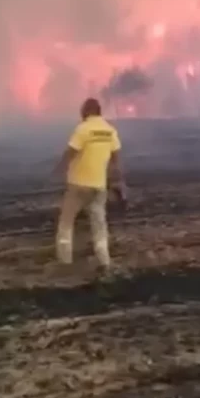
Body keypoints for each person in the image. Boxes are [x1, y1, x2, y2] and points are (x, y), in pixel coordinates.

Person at [52, 98, 126, 271]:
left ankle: (65, 261)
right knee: (99, 225)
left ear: (86, 111)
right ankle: (104, 261)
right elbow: (116, 159)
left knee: (66, 223)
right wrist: (119, 181)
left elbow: (71, 152)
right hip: (99, 186)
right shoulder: (110, 131)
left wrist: (57, 170)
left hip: (78, 185)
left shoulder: (83, 129)